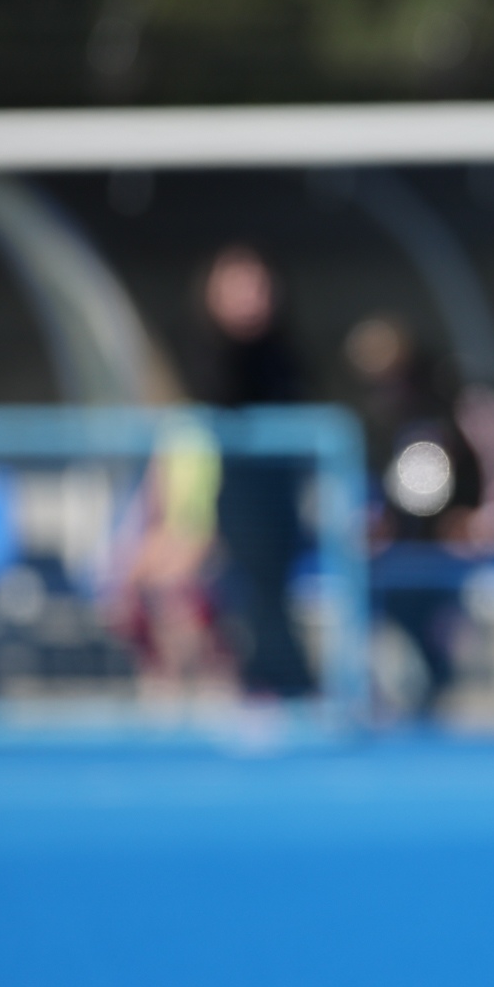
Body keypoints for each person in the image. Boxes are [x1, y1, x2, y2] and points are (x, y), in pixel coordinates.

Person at [194, 244, 314, 698]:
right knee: (249, 601)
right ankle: (280, 686)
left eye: (257, 288)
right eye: (238, 289)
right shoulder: (206, 351)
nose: (250, 299)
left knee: (272, 599)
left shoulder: (284, 355)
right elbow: (219, 395)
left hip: (279, 501)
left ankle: (286, 688)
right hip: (234, 502)